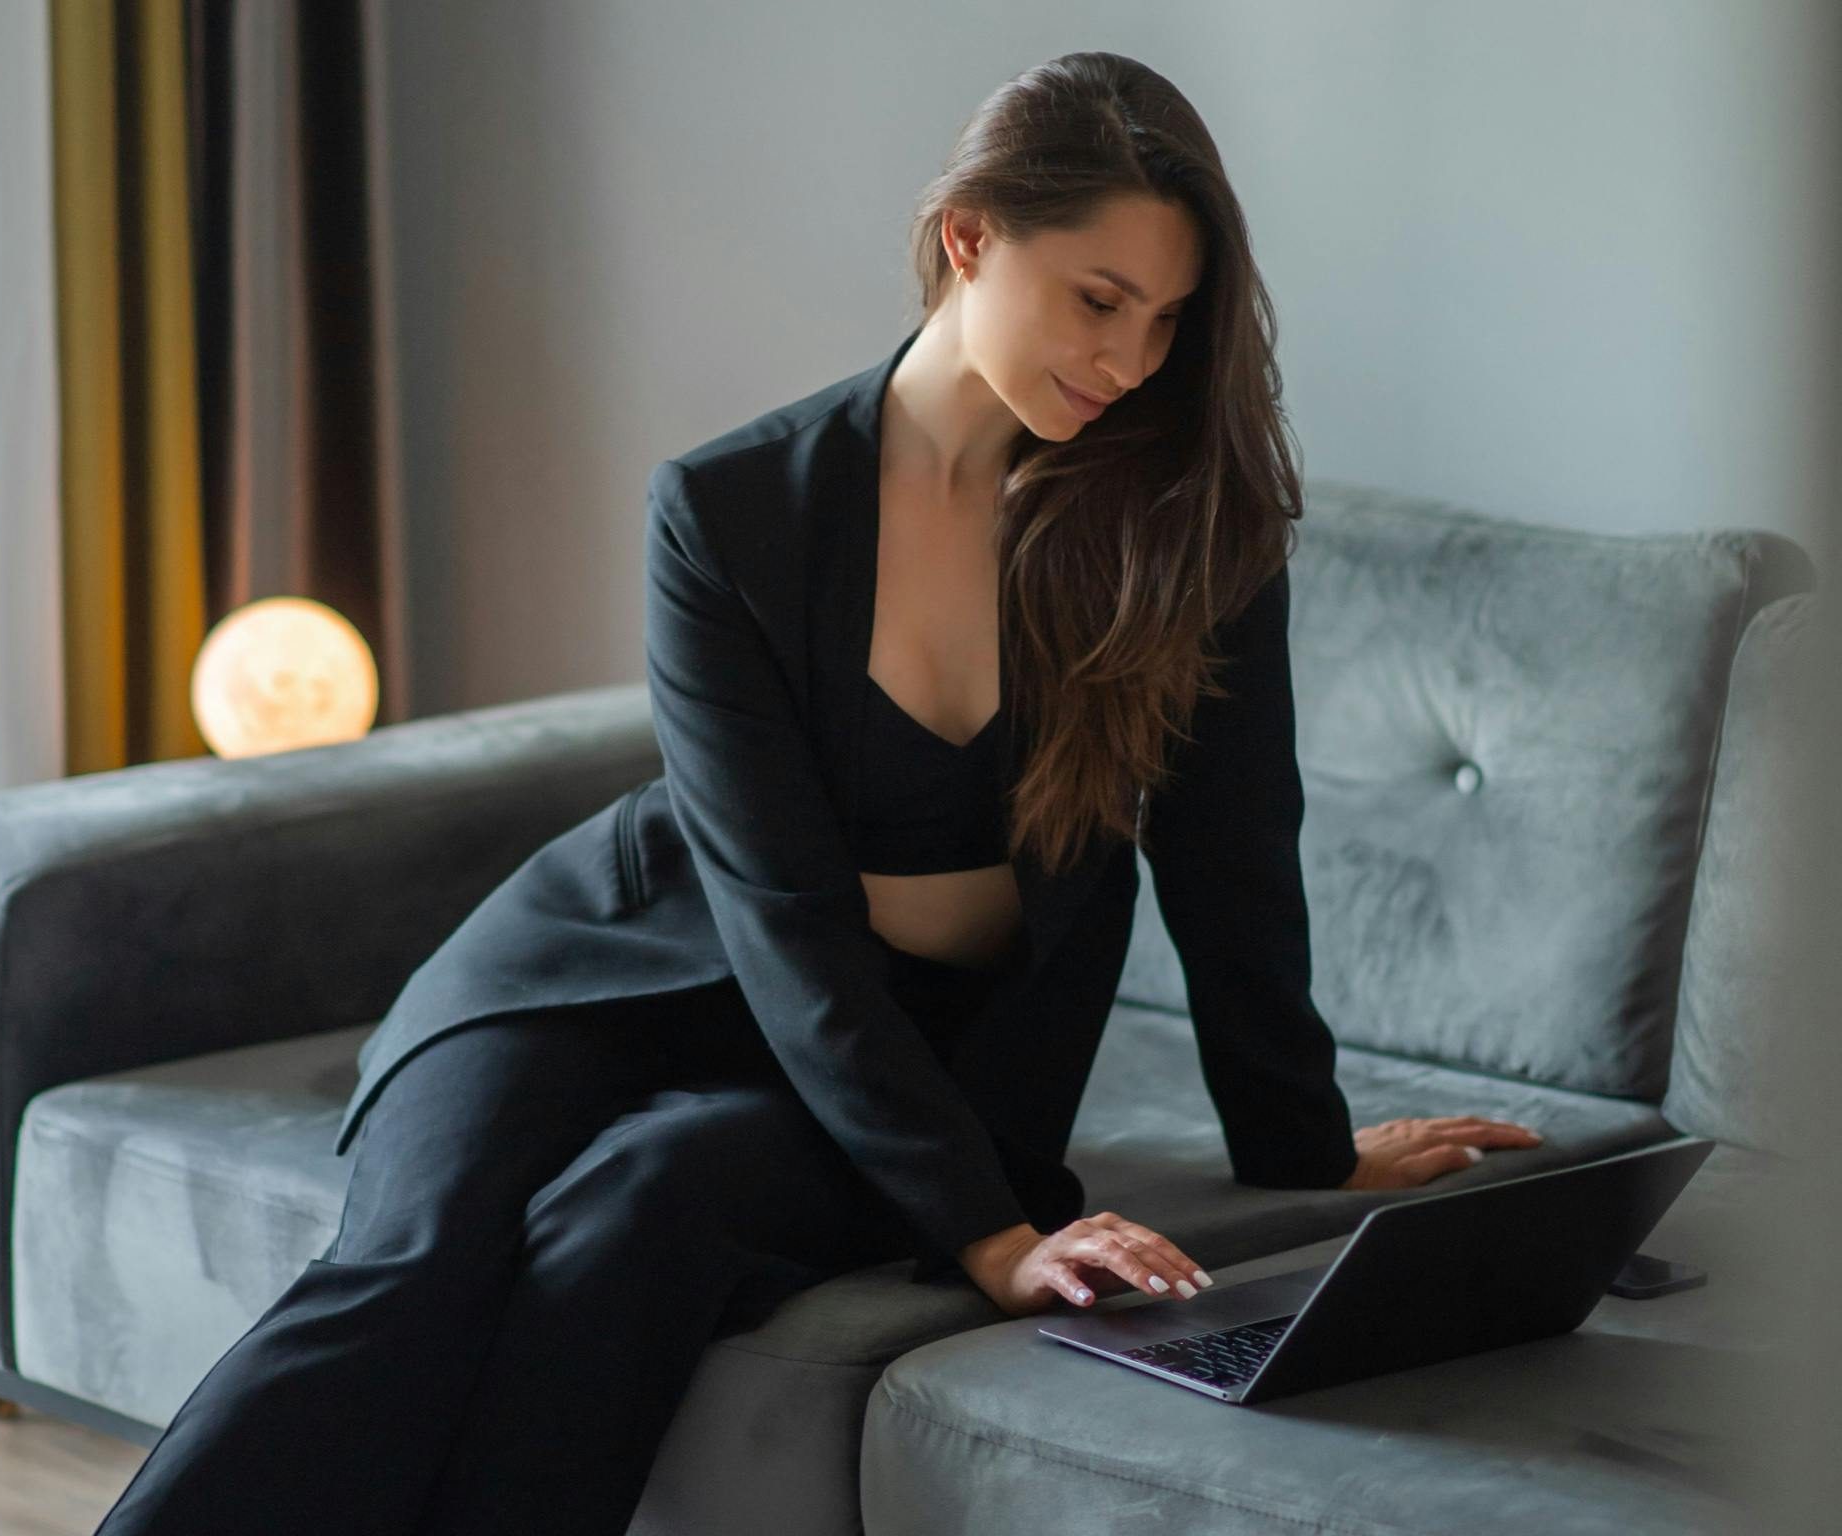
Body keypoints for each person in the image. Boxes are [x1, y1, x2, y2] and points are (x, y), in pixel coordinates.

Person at [92, 49, 1542, 1536]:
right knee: (415, 1258)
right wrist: (991, 1240)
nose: (1129, 359)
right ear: (971, 237)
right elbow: (781, 913)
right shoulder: (731, 512)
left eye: (1167, 321)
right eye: (1099, 300)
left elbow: (1236, 864)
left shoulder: (1183, 533)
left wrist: (1302, 1151)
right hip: (603, 973)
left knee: (637, 1209)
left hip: (911, 1055)